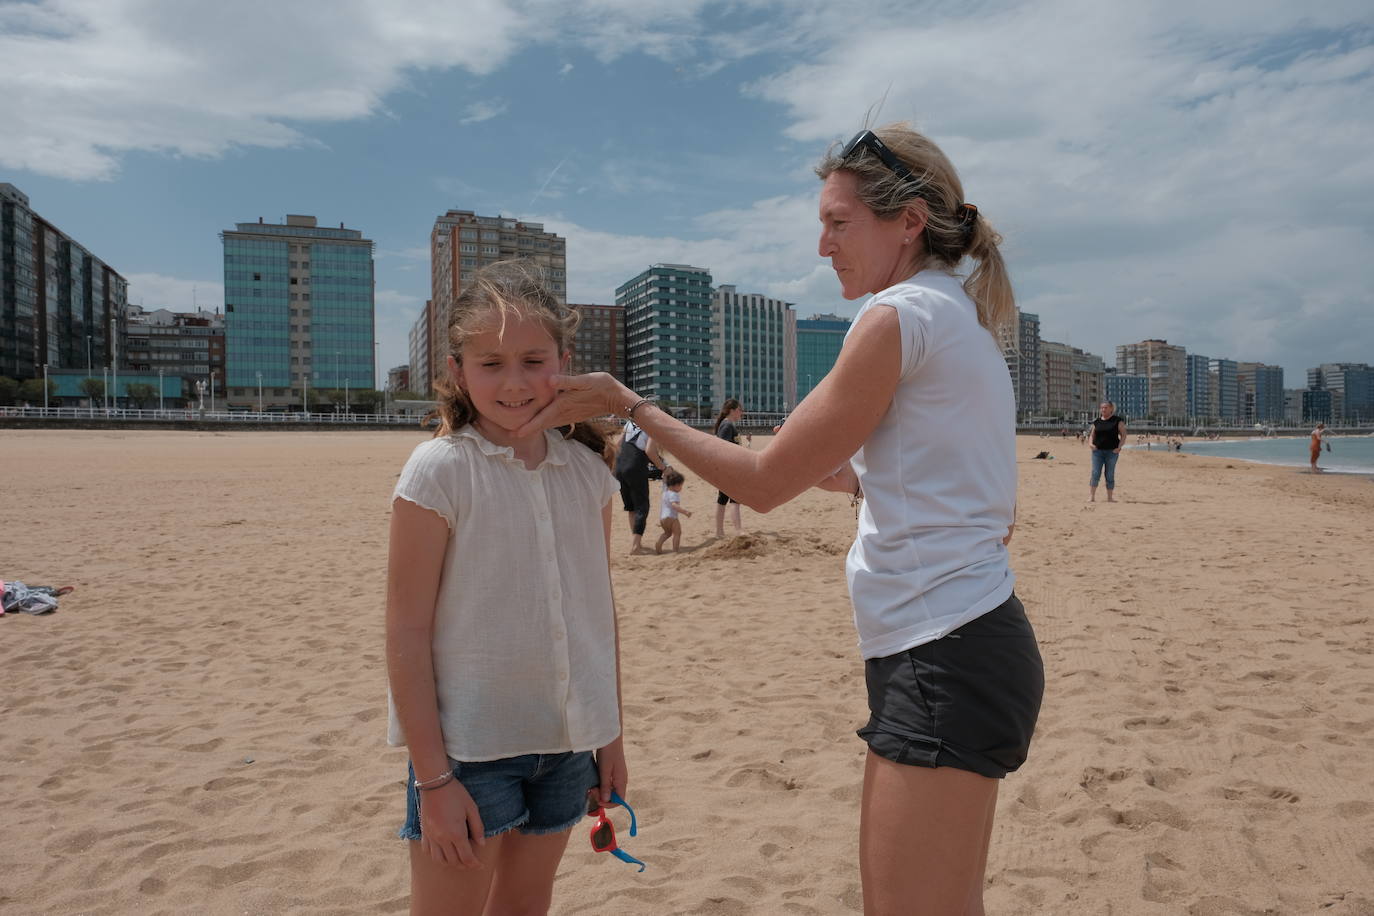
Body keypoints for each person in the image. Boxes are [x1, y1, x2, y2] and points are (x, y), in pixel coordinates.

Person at [520, 122, 1043, 915]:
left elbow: (763, 485)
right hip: (961, 645)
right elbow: (936, 488)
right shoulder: (956, 318)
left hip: (945, 651)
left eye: (839, 222)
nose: (823, 243)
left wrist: (630, 407)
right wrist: (860, 484)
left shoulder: (897, 316)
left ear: (909, 221)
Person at [385, 260, 628, 916]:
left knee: (525, 905)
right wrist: (433, 780)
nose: (514, 382)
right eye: (490, 363)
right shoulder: (439, 470)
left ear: (564, 361)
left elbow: (595, 616)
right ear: (457, 368)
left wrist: (611, 737)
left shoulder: (586, 471)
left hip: (568, 743)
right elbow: (405, 632)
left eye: (532, 360)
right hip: (466, 752)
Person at [614, 417, 670, 554]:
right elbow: (650, 451)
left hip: (619, 467)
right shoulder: (650, 426)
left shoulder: (629, 424)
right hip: (635, 467)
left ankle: (636, 543)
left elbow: (617, 445)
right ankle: (635, 547)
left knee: (631, 507)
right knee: (642, 507)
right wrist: (663, 467)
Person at [712, 398, 747, 537]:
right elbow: (723, 448)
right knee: (734, 500)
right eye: (739, 410)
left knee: (722, 500)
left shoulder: (728, 425)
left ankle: (719, 532)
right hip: (729, 469)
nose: (741, 413)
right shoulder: (727, 426)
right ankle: (738, 531)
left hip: (727, 469)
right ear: (731, 410)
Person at [1088, 401, 1126, 502]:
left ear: (1111, 409)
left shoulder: (1117, 421)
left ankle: (1110, 498)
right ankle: (1091, 496)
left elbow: (1123, 435)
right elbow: (1092, 435)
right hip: (1097, 452)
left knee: (1109, 474)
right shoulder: (1097, 421)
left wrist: (1119, 447)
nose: (1103, 410)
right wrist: (1091, 444)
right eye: (1102, 408)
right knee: (1095, 473)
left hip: (1112, 452)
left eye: (1105, 408)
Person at [654, 468, 692, 554]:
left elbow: (664, 482)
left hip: (662, 518)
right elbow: (674, 505)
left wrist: (665, 476)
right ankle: (675, 550)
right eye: (680, 486)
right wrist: (685, 512)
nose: (681, 488)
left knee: (667, 533)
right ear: (675, 485)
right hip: (672, 517)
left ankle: (658, 545)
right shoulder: (674, 494)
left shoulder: (665, 491)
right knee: (677, 533)